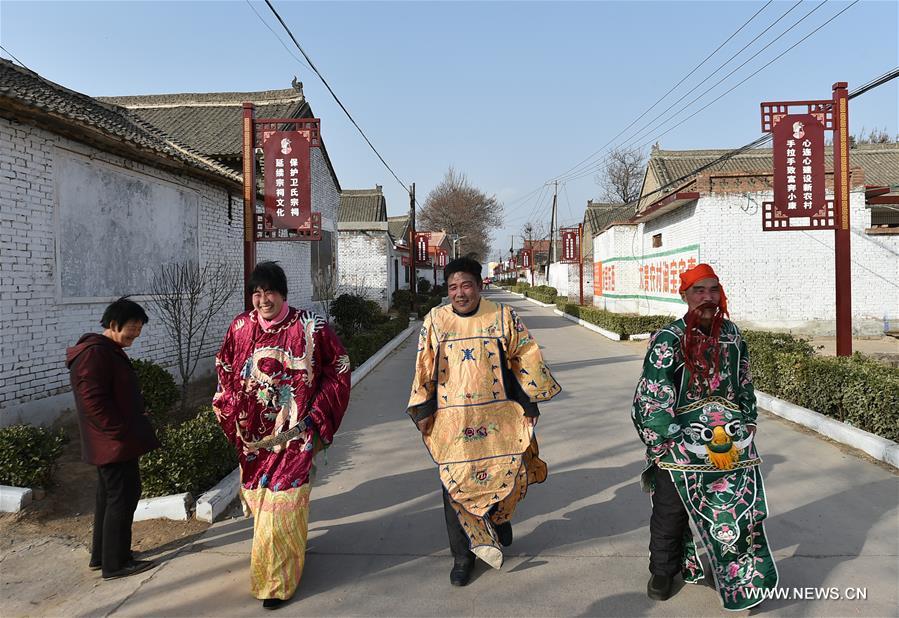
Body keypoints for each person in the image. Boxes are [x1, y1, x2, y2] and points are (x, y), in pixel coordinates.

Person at [631, 263, 778, 610]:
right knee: (670, 512)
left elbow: (743, 381)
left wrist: (749, 418)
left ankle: (737, 575)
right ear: (685, 296)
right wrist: (665, 438)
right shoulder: (669, 339)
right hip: (679, 442)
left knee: (734, 511)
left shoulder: (732, 335)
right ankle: (663, 571)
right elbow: (652, 391)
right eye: (699, 291)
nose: (708, 298)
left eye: (713, 290)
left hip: (729, 442)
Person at [408, 257, 560, 586]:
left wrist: (529, 401)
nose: (459, 293)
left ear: (479, 285)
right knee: (455, 485)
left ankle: (499, 517)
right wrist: (423, 410)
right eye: (452, 287)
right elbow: (425, 364)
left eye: (466, 285)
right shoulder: (436, 319)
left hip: (499, 416)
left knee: (506, 473)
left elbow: (525, 356)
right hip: (453, 420)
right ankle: (462, 557)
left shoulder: (502, 316)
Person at [213, 261, 351, 610]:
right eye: (256, 293)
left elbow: (339, 368)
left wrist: (317, 416)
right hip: (254, 443)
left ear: (282, 292)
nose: (262, 300)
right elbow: (225, 368)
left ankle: (275, 585)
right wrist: (232, 413)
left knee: (281, 508)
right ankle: (288, 554)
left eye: (269, 292)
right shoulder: (240, 327)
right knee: (263, 508)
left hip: (294, 438)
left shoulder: (311, 327)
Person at [66, 296, 160, 580]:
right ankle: (116, 563)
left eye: (139, 328)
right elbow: (93, 400)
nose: (135, 333)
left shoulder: (107, 350)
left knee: (108, 498)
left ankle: (103, 556)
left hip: (111, 441)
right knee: (123, 497)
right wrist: (119, 430)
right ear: (113, 323)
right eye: (132, 327)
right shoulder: (95, 353)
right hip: (113, 443)